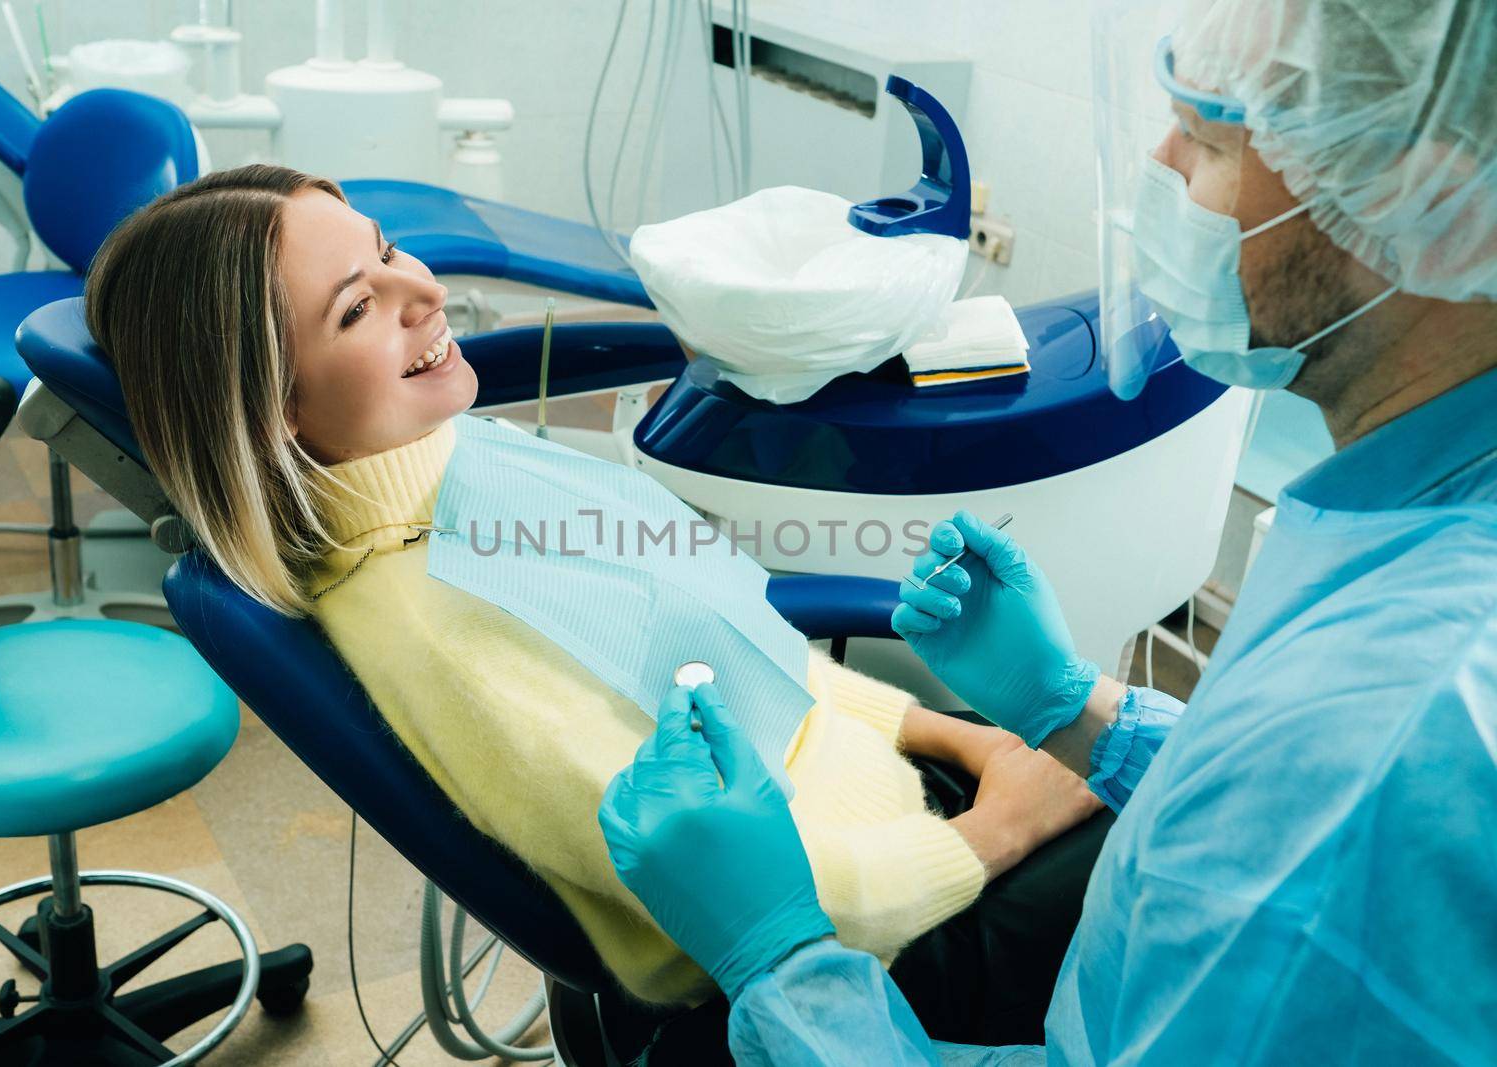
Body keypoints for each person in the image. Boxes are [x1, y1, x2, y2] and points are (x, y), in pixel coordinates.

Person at [599, 0, 1497, 1061]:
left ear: (1436, 202)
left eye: (1208, 138)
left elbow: (1324, 816)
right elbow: (1273, 827)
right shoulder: (1425, 495)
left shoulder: (1387, 724)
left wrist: (781, 961)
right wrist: (1088, 717)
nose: (1161, 166)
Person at [82, 164, 1107, 1023]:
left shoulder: (458, 459)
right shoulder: (434, 624)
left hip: (897, 809)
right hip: (855, 945)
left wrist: (958, 737)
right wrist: (997, 829)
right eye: (357, 307)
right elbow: (739, 902)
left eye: (390, 249)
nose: (425, 293)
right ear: (277, 410)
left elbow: (726, 646)